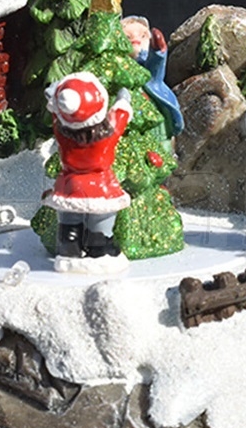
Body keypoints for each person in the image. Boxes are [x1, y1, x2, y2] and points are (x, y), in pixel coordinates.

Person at [44, 72, 132, 269]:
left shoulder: (61, 130)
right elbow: (121, 114)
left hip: (69, 185)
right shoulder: (109, 132)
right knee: (101, 218)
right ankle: (99, 248)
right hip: (100, 186)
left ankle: (68, 248)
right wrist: (123, 99)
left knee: (69, 220)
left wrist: (55, 98)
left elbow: (57, 113)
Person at [121, 15, 184, 137]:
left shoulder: (147, 65)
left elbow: (156, 67)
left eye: (143, 36)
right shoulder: (117, 65)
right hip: (126, 111)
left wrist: (158, 50)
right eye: (128, 37)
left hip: (152, 108)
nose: (136, 39)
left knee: (159, 131)